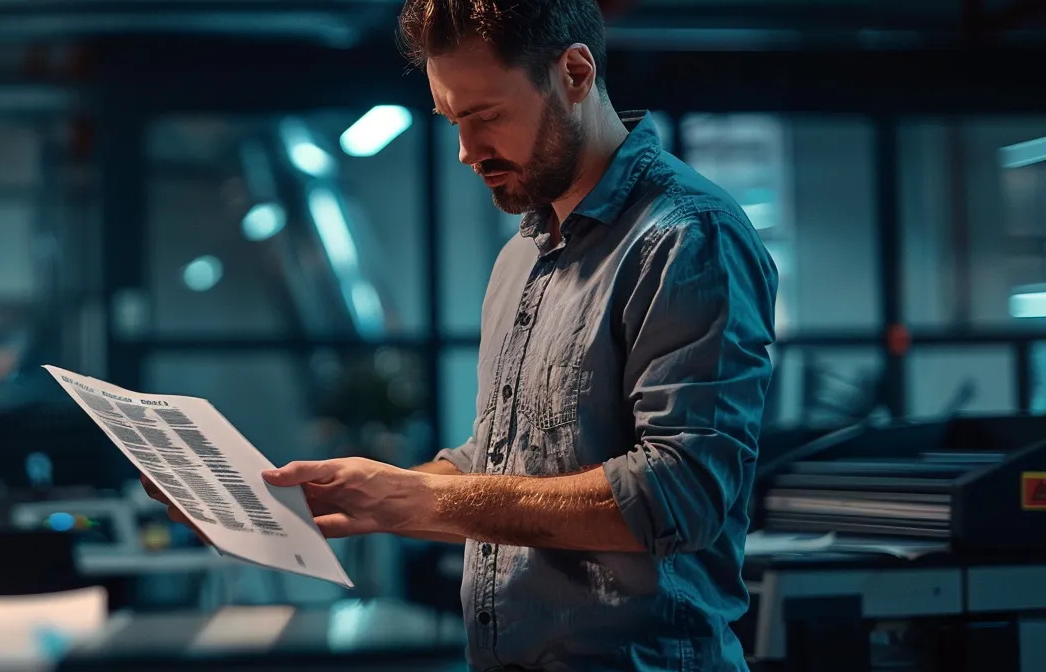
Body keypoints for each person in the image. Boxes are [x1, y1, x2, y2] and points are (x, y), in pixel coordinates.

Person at [141, 0, 778, 669]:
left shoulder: (688, 237)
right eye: (453, 121)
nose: (467, 152)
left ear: (575, 73)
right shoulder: (522, 256)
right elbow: (506, 467)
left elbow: (682, 496)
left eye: (486, 116)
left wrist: (410, 496)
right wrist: (344, 498)